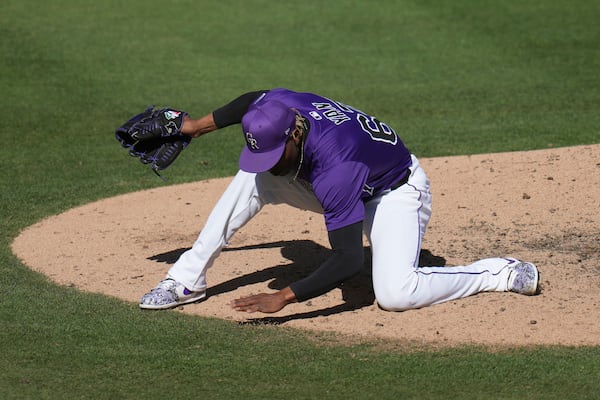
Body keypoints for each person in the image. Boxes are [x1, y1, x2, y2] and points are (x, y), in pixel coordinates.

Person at [139, 87, 540, 312]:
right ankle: (186, 280)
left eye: (275, 156)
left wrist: (284, 296)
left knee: (396, 294)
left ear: (294, 136)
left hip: (394, 192)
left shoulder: (336, 169)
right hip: (346, 175)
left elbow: (349, 259)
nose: (270, 164)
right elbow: (251, 101)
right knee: (252, 179)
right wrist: (194, 128)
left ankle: (498, 273)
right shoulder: (282, 109)